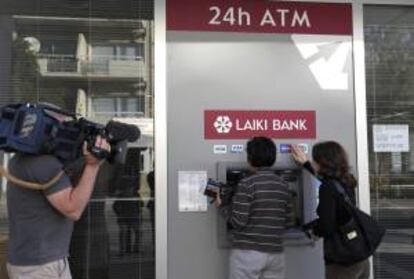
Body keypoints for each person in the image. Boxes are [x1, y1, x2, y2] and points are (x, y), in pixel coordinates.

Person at [6, 108, 111, 279]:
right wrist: (92, 166)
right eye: (65, 125)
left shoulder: (21, 159)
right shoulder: (43, 164)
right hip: (37, 267)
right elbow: (73, 209)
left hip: (45, 260)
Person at [214, 137, 293, 279]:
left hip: (248, 254)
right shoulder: (283, 185)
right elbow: (288, 222)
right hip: (276, 254)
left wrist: (222, 206)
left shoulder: (247, 184)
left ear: (250, 158)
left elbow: (238, 222)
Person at [291, 141, 370, 279]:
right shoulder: (347, 180)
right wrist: (306, 164)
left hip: (342, 262)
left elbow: (327, 226)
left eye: (315, 160)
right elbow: (329, 181)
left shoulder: (328, 188)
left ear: (323, 162)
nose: (314, 162)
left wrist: (311, 230)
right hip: (360, 256)